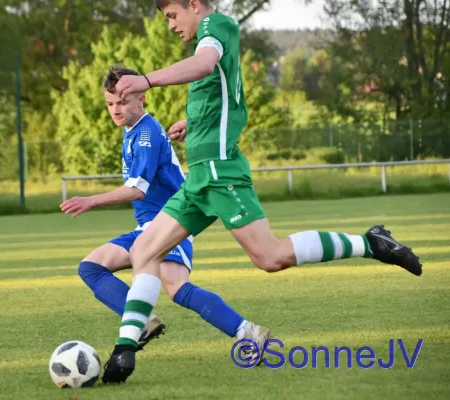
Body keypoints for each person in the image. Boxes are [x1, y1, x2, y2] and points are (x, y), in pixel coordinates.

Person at [101, 0, 423, 384]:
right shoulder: (208, 39)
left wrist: (147, 80)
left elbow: (204, 65)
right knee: (143, 251)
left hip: (221, 174)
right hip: (200, 180)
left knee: (270, 257)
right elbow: (226, 91)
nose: (170, 25)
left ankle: (371, 243)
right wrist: (195, 122)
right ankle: (123, 353)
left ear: (193, 5)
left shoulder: (216, 26)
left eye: (172, 15)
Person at [60, 65, 266, 356]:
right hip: (150, 226)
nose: (115, 110)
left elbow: (137, 189)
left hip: (169, 224)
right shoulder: (132, 130)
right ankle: (141, 321)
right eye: (110, 104)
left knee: (177, 288)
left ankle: (247, 331)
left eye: (122, 102)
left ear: (141, 98)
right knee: (92, 268)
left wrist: (90, 200)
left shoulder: (145, 134)